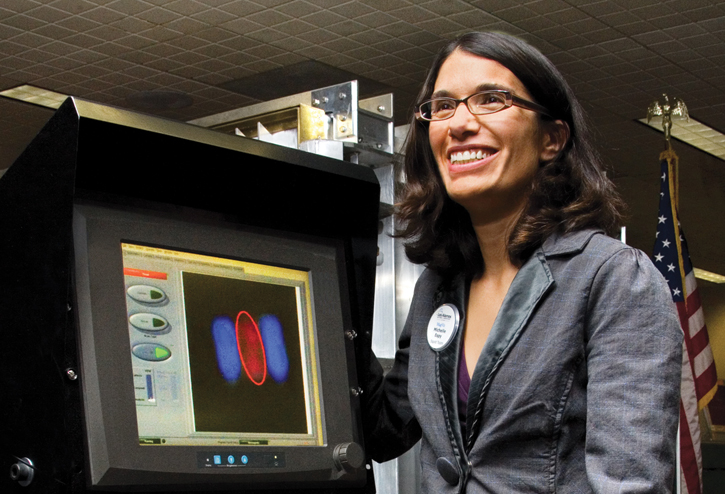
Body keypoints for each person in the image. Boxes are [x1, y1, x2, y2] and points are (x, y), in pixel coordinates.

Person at [362, 32, 683, 493]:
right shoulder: (437, 287)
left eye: (491, 99)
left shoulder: (612, 280)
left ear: (552, 139)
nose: (460, 123)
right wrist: (332, 273)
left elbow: (631, 485)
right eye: (444, 105)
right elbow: (385, 429)